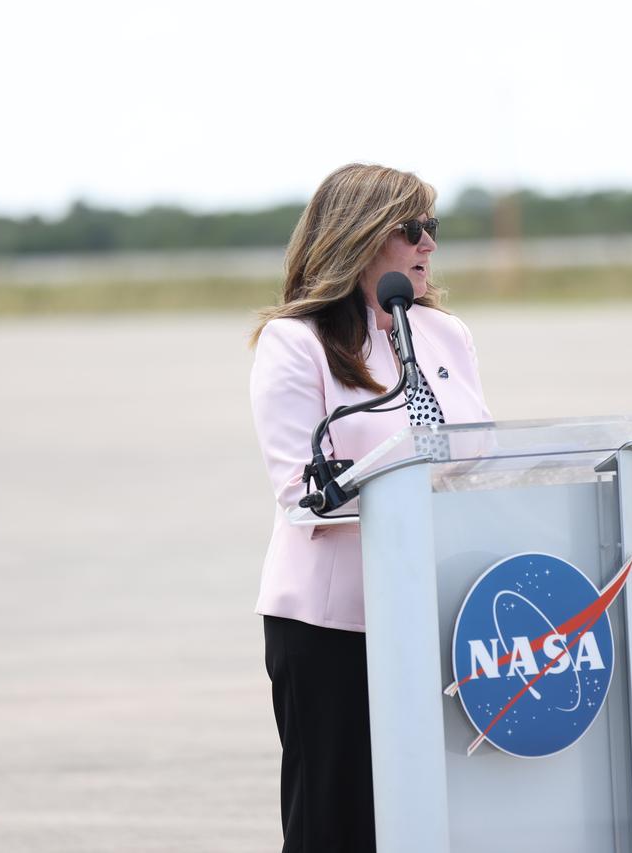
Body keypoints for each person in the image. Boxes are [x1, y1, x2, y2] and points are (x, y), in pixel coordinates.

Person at [248, 163, 492, 852]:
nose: (428, 245)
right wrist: (410, 486)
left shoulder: (446, 335)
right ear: (357, 239)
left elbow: (480, 454)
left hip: (442, 612)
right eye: (409, 229)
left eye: (432, 228)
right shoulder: (296, 344)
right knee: (339, 821)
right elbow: (303, 495)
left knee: (436, 814)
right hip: (334, 627)